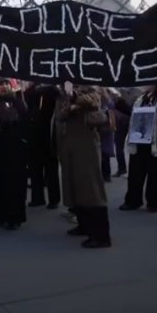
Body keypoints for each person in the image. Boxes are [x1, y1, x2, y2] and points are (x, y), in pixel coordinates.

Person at [55, 83, 112, 249]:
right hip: (70, 144)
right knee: (76, 186)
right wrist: (69, 104)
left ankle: (101, 235)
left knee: (91, 187)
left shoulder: (90, 87)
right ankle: (84, 224)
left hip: (86, 143)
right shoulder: (63, 91)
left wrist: (73, 96)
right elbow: (60, 114)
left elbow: (93, 101)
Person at [119, 85, 157, 212]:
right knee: (135, 171)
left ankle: (155, 202)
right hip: (140, 139)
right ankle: (133, 200)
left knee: (156, 173)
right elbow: (132, 113)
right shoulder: (142, 98)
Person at [0, 78, 29, 230]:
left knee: (15, 182)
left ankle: (14, 216)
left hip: (15, 146)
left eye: (5, 84)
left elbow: (25, 117)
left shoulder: (17, 100)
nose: (3, 87)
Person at [23, 83, 61, 209]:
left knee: (50, 168)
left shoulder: (52, 90)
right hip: (34, 133)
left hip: (48, 133)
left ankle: (53, 199)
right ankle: (38, 197)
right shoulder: (31, 90)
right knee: (35, 168)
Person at [111, 89, 133, 177]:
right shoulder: (135, 93)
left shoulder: (117, 95)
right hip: (128, 121)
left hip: (122, 122)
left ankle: (122, 168)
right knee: (129, 147)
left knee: (119, 146)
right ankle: (124, 169)